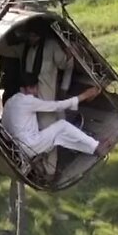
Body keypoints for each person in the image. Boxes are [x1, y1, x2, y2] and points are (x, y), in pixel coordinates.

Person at [2, 74, 114, 171]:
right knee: (62, 125)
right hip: (29, 145)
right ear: (22, 89)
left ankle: (93, 148)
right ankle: (97, 146)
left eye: (36, 87)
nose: (35, 91)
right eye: (32, 88)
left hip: (17, 149)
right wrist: (84, 96)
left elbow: (4, 129)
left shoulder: (9, 103)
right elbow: (57, 106)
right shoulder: (26, 100)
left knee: (59, 136)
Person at [22, 28, 75, 176]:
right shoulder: (26, 48)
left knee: (49, 133)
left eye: (33, 34)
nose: (31, 38)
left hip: (46, 99)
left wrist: (69, 55)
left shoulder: (51, 46)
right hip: (30, 101)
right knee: (33, 134)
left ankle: (50, 170)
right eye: (29, 35)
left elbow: (65, 64)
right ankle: (37, 167)